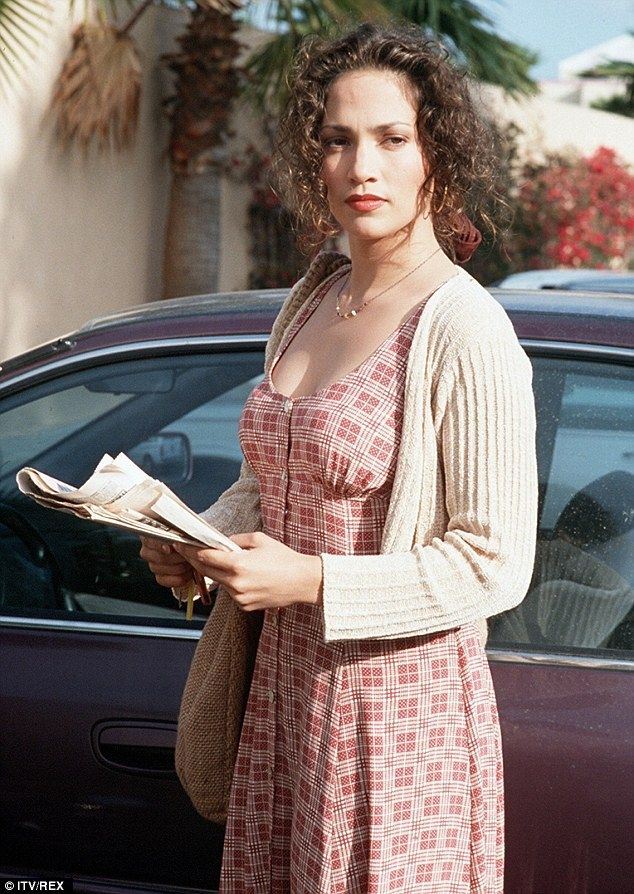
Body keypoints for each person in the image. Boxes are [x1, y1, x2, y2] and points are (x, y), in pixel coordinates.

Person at [141, 22, 538, 894]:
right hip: (280, 701)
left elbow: (495, 563)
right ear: (313, 160)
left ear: (436, 156)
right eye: (338, 140)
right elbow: (271, 479)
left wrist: (312, 581)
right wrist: (198, 543)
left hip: (395, 724)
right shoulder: (313, 297)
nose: (363, 166)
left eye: (392, 139)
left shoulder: (464, 328)